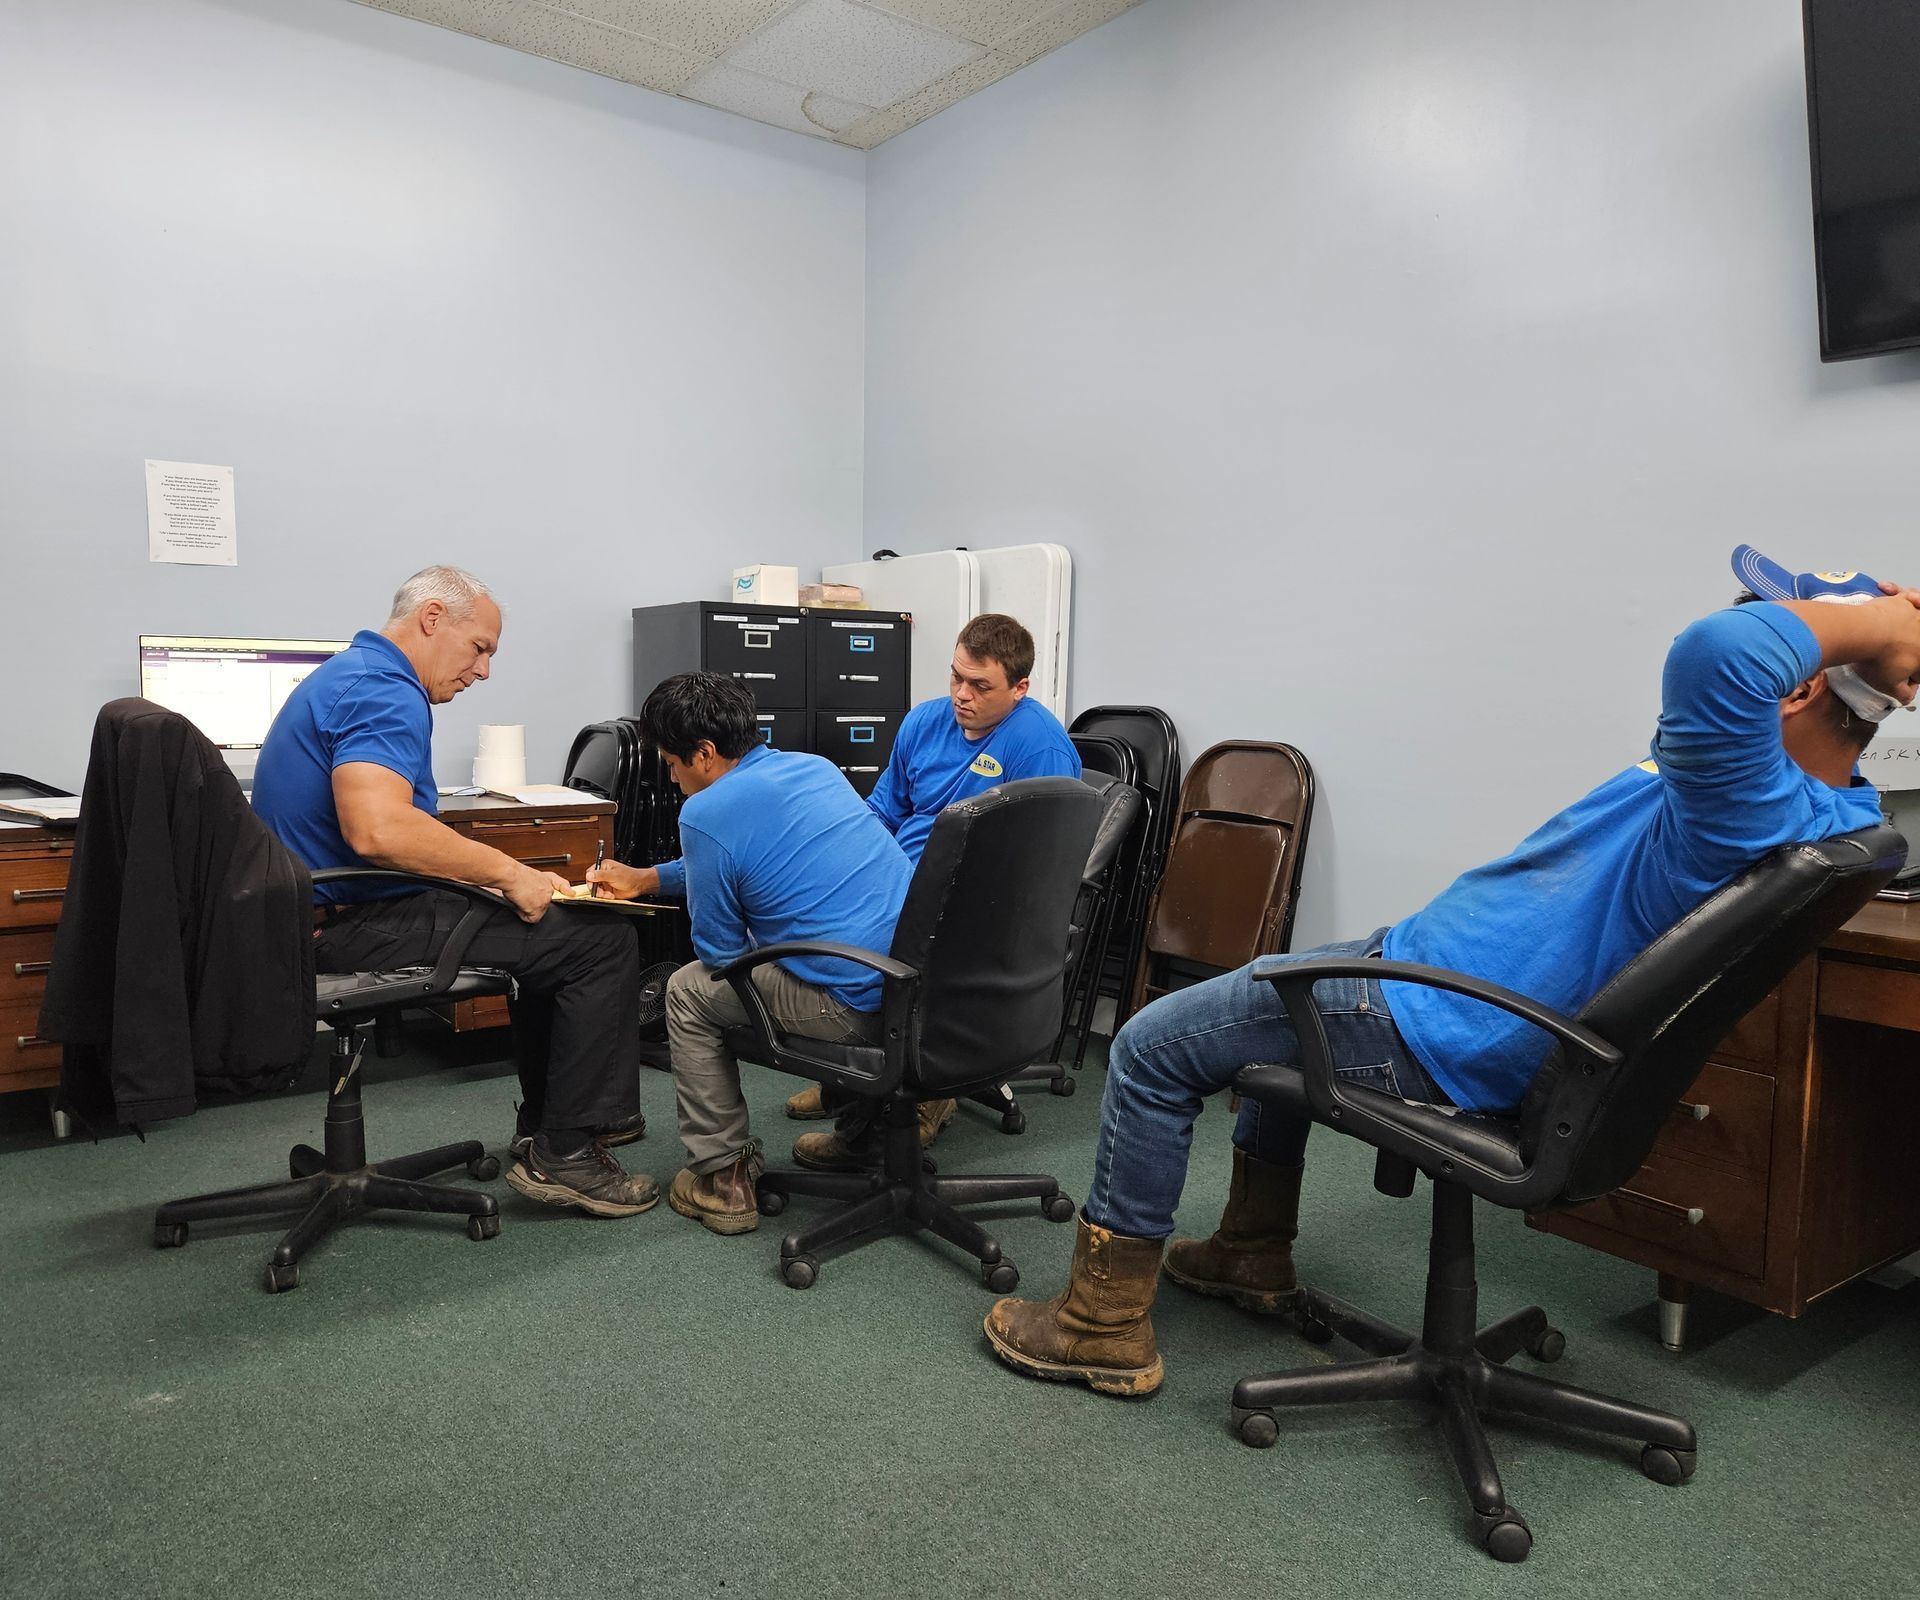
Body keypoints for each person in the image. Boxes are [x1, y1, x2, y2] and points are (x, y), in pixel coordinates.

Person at [983, 547, 1920, 1397]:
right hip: (1433, 978)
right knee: (1275, 981)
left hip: (1435, 1021)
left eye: (1789, 627)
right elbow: (1728, 678)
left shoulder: (1742, 804)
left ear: (1795, 690)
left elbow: (1716, 654)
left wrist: (1884, 628)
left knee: (1150, 1045)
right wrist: (1874, 666)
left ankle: (1100, 1325)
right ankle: (1249, 1252)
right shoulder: (1823, 802)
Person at [251, 566, 657, 1219]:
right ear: (433, 618)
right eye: (480, 648)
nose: (484, 670)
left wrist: (507, 880)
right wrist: (509, 874)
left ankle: (550, 1128)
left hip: (322, 911)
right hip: (342, 921)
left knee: (551, 932)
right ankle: (567, 1152)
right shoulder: (385, 689)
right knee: (600, 940)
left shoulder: (353, 675)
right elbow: (378, 829)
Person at [586, 672, 914, 1235]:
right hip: (912, 988)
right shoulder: (812, 769)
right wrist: (646, 879)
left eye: (672, 763)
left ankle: (724, 1178)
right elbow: (742, 853)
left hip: (850, 1006)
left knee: (687, 991)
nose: (672, 776)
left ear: (704, 754)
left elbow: (721, 956)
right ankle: (866, 1140)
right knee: (820, 947)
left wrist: (765, 931)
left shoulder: (705, 812)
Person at [780, 612, 1084, 1154]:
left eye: (980, 685)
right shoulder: (923, 723)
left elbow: (1041, 866)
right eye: (956, 677)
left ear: (1019, 688)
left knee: (906, 955)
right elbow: (883, 811)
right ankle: (851, 1080)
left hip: (974, 901)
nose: (961, 695)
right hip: (901, 878)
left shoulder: (1040, 747)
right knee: (826, 922)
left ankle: (924, 1094)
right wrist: (849, 866)